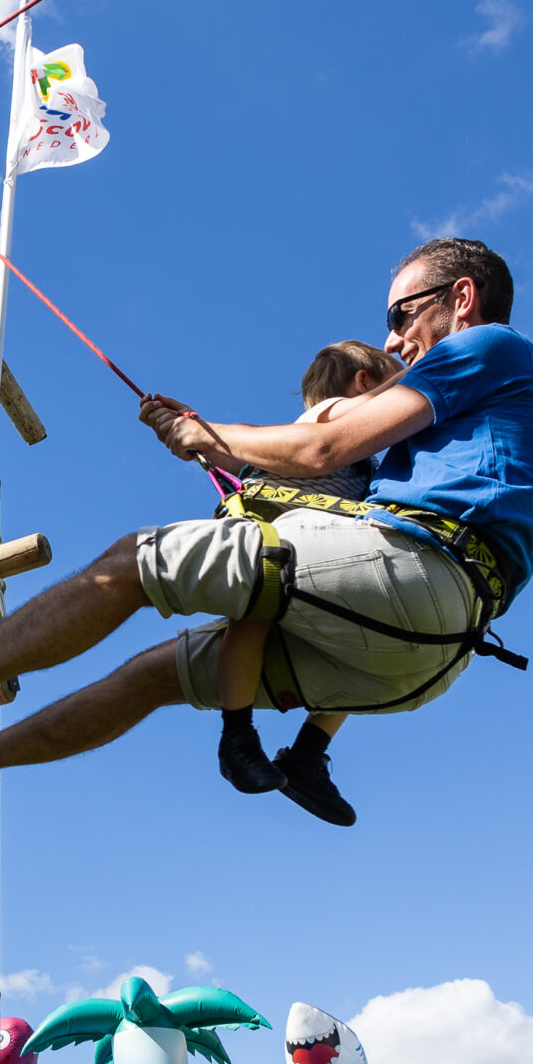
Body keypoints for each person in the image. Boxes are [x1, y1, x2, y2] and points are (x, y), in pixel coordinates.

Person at [0, 238, 533, 825]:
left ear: (460, 298)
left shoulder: (490, 346)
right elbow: (318, 453)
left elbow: (319, 449)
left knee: (135, 562)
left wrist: (209, 432)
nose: (394, 337)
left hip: (416, 579)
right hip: (422, 658)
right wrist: (210, 440)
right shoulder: (469, 415)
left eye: (403, 314)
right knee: (153, 676)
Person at [216, 339, 403, 812]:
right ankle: (238, 736)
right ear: (364, 383)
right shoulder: (332, 414)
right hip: (273, 537)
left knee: (361, 647)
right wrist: (430, 370)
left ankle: (303, 754)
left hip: (311, 549)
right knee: (254, 613)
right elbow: (388, 402)